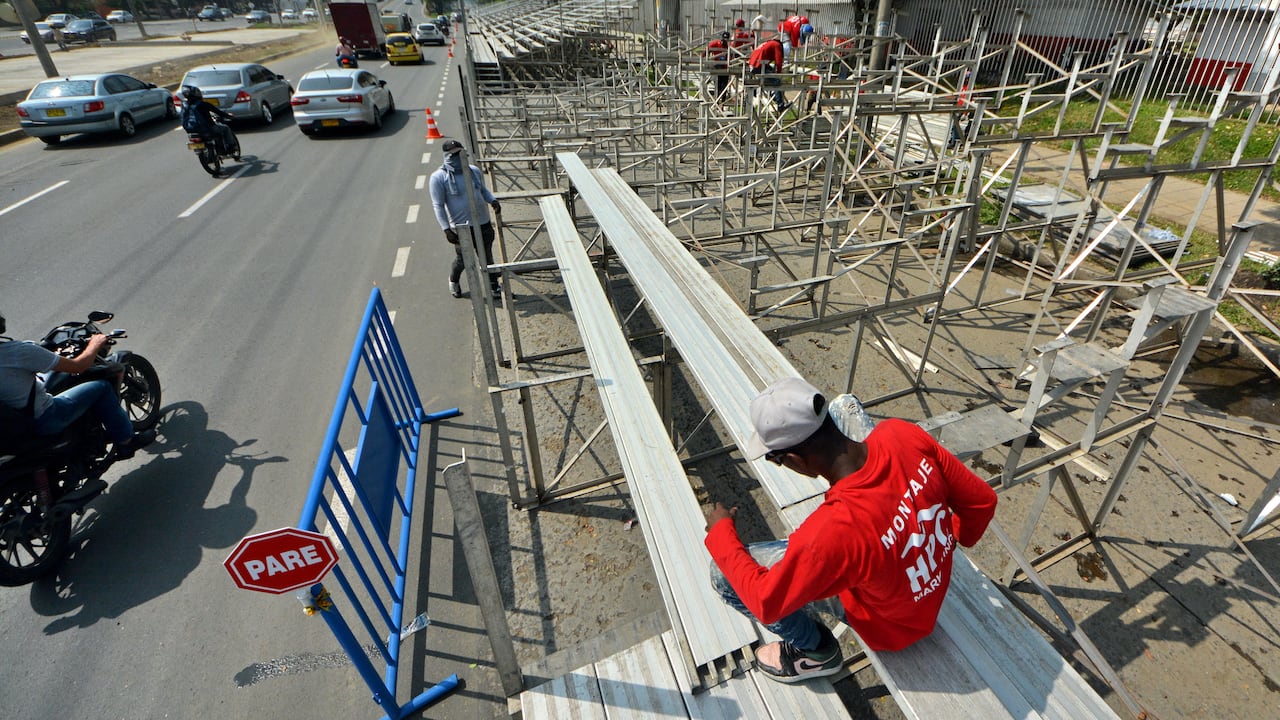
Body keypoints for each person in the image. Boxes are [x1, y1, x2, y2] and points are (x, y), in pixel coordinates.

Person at [704, 377, 998, 683]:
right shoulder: (901, 433)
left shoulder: (831, 531)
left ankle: (816, 652)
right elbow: (982, 502)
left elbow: (766, 602)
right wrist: (943, 541)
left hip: (889, 626)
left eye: (775, 459)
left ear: (793, 460)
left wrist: (721, 531)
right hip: (924, 595)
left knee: (723, 575)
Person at [0, 313, 155, 458]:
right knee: (102, 388)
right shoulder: (16, 352)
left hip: (12, 429)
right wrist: (95, 344)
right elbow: (78, 366)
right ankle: (126, 442)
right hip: (44, 418)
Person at [429, 139, 503, 299]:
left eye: (461, 154)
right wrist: (446, 229)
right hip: (461, 227)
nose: (458, 158)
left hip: (483, 222)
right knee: (464, 259)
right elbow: (438, 205)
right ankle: (453, 281)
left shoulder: (473, 171)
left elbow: (482, 190)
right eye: (454, 155)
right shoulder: (439, 178)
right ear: (446, 157)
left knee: (487, 256)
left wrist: (492, 200)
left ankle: (493, 286)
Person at [181, 86, 238, 157]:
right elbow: (217, 112)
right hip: (207, 128)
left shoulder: (184, 105)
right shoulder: (203, 104)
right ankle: (231, 147)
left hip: (191, 131)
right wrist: (228, 115)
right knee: (225, 128)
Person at [748, 37, 789, 112]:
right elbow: (778, 62)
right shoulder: (777, 45)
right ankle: (780, 104)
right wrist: (778, 74)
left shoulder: (769, 43)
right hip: (758, 66)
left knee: (770, 73)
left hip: (754, 65)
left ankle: (772, 93)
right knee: (776, 81)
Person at [706, 31, 730, 100]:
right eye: (723, 40)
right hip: (717, 66)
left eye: (726, 40)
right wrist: (704, 57)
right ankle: (716, 100)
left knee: (724, 86)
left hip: (725, 68)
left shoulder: (728, 47)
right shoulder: (716, 43)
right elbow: (707, 49)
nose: (724, 42)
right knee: (718, 84)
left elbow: (731, 56)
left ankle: (722, 102)